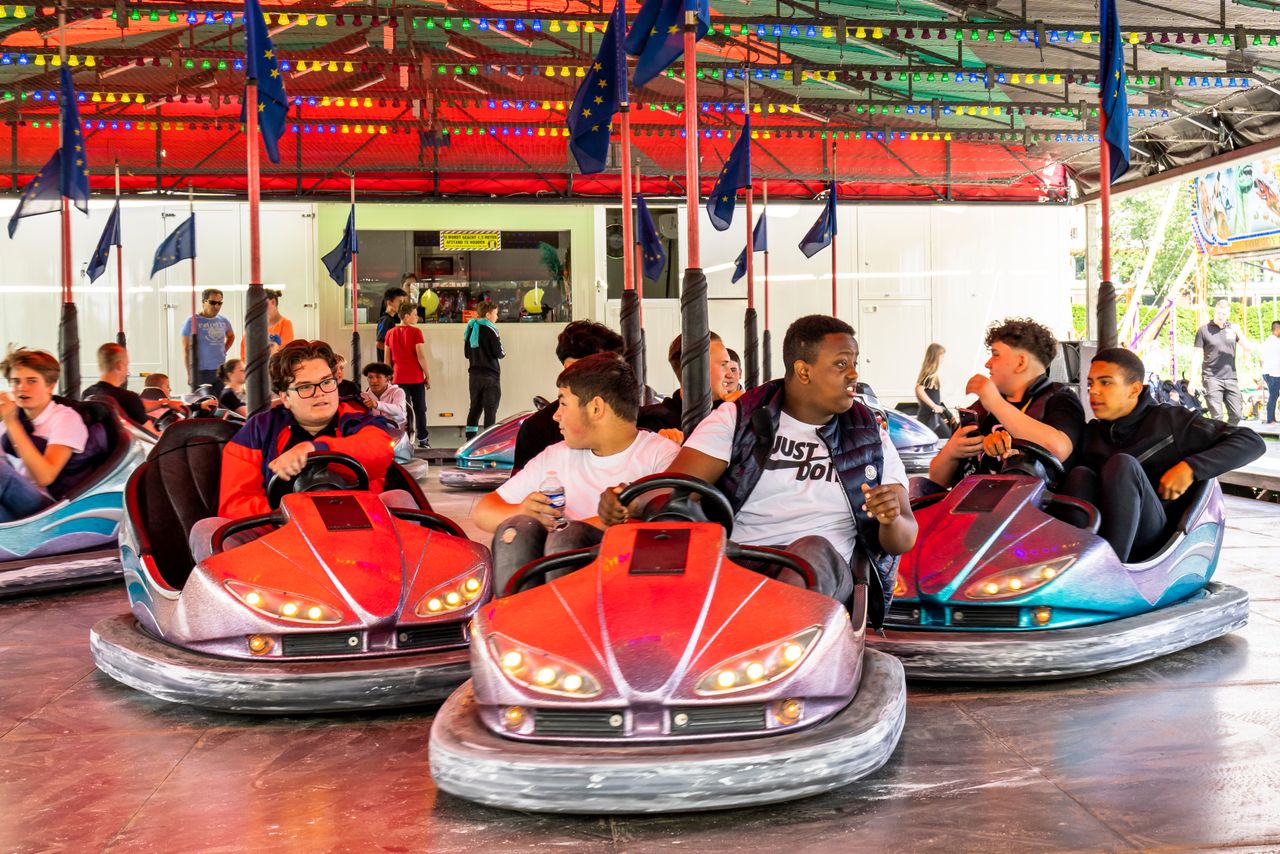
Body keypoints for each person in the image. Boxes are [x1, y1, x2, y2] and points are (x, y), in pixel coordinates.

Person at [600, 315, 917, 622]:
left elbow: (902, 538)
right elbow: (676, 487)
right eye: (841, 364)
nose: (853, 374)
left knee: (812, 549)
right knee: (596, 545)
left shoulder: (869, 434)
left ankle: (775, 653)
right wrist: (626, 500)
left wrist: (889, 519)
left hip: (824, 572)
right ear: (803, 372)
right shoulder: (740, 418)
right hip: (740, 565)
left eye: (854, 363)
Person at [474, 354, 680, 593]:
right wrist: (524, 512)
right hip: (548, 592)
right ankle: (516, 621)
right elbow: (483, 512)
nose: (555, 415)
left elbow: (664, 522)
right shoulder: (556, 455)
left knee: (568, 539)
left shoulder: (661, 456)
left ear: (595, 408)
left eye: (563, 403)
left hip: (629, 591)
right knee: (517, 530)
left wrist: (565, 530)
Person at [1062, 348, 1264, 562]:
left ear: (1134, 389)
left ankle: (1109, 572)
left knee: (1122, 465)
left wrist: (1190, 468)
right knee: (1079, 474)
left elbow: (1251, 441)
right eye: (1091, 383)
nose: (1093, 391)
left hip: (1154, 538)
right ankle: (1070, 565)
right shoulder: (1092, 433)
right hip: (1098, 534)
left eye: (1106, 382)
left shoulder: (1170, 421)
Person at [214, 340, 398, 522]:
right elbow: (236, 502)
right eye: (306, 387)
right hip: (282, 535)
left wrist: (315, 449)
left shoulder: (358, 419)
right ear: (285, 398)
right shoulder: (259, 430)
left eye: (326, 382)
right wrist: (291, 518)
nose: (320, 392)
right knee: (207, 528)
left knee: (399, 498)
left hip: (357, 529)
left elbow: (380, 451)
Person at [928, 317, 1085, 488]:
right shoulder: (984, 408)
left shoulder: (1060, 399)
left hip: (1030, 509)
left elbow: (1057, 448)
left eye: (996, 355)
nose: (988, 364)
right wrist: (951, 451)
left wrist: (995, 402)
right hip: (970, 504)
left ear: (1021, 362)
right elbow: (936, 480)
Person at [0, 350, 102, 522]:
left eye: (31, 381)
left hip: (48, 508)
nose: (22, 388)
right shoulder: (13, 415)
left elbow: (45, 476)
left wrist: (11, 422)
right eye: (16, 382)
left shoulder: (66, 419)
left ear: (50, 386)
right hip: (13, 500)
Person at [512, 321, 623, 473]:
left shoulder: (627, 418)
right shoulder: (538, 429)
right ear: (570, 367)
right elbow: (518, 493)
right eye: (601, 367)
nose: (610, 375)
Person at [635, 332, 736, 441]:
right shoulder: (654, 424)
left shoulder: (733, 414)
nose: (730, 374)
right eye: (723, 364)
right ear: (694, 369)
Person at [1192, 297, 1255, 425]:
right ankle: (1219, 442)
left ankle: (1227, 437)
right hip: (1211, 377)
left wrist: (1239, 332)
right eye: (1219, 313)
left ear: (1228, 314)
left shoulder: (1232, 329)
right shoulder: (1204, 330)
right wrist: (1192, 381)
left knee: (1237, 414)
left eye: (1224, 314)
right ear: (1215, 311)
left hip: (1231, 377)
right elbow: (1197, 355)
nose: (1221, 316)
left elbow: (1249, 348)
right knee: (1217, 416)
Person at [385, 302, 432, 448]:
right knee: (420, 409)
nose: (417, 317)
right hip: (416, 377)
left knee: (402, 410)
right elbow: (421, 356)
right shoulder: (416, 332)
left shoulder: (390, 333)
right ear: (406, 317)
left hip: (398, 377)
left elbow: (387, 359)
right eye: (415, 314)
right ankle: (423, 440)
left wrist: (388, 378)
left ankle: (404, 440)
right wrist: (427, 375)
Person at [83, 343, 150, 429]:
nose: (127, 371)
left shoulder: (87, 394)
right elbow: (153, 436)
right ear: (120, 366)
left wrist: (162, 403)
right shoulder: (129, 398)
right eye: (126, 365)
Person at [180, 288, 235, 394]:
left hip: (220, 371)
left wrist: (224, 349)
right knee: (205, 404)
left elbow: (231, 336)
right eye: (213, 302)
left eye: (219, 303)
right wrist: (189, 373)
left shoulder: (223, 320)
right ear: (203, 302)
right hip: (201, 372)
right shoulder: (191, 321)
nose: (216, 306)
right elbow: (186, 349)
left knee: (221, 404)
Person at [464, 300, 504, 439]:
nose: (497, 317)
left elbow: (467, 353)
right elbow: (499, 353)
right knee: (490, 409)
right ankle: (488, 440)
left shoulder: (470, 328)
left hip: (474, 375)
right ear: (488, 314)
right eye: (495, 314)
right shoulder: (491, 329)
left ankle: (470, 439)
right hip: (490, 376)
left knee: (474, 408)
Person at [239, 288, 296, 360]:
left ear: (273, 302)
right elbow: (245, 351)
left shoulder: (285, 323)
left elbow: (285, 350)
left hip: (274, 367)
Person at [913, 342, 954, 439]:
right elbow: (919, 389)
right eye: (942, 356)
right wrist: (933, 406)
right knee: (947, 438)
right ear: (935, 357)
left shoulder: (932, 375)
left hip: (931, 416)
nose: (943, 359)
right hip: (929, 418)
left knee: (944, 439)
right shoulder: (930, 374)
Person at [361, 362, 407, 431]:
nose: (373, 381)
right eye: (370, 377)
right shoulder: (364, 396)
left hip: (397, 431)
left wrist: (377, 404)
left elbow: (399, 410)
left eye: (378, 377)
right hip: (374, 431)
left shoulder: (398, 392)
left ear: (388, 379)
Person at [376, 285, 409, 363]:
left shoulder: (387, 319)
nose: (402, 305)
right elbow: (379, 344)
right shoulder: (387, 320)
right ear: (389, 303)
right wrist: (397, 350)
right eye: (399, 302)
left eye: (403, 302)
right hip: (386, 368)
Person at [1262, 320, 1280, 424]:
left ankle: (1272, 418)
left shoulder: (1268, 341)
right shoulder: (1275, 342)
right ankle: (1270, 419)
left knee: (1274, 395)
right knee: (1273, 396)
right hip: (1274, 373)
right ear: (1277, 329)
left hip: (1268, 372)